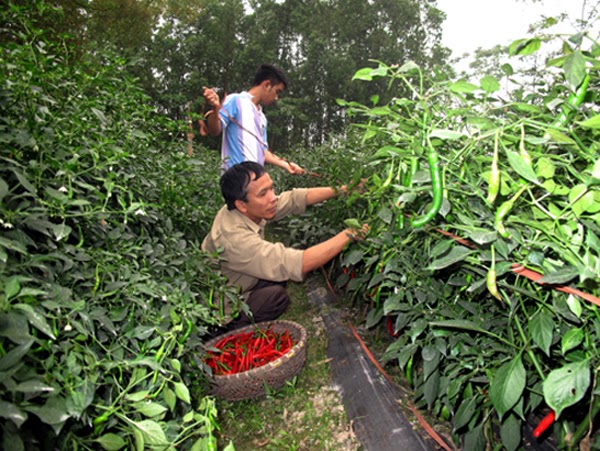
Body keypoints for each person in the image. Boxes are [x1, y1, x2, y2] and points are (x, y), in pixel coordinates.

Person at [201, 161, 367, 330]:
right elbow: (298, 263)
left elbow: (293, 199)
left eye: (271, 188)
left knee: (277, 279)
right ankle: (231, 331)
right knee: (276, 297)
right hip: (221, 309)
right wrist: (350, 234)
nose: (273, 197)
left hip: (238, 282)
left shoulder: (244, 208)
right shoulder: (233, 239)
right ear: (241, 205)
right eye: (263, 193)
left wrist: (344, 189)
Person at [202, 64, 304, 174]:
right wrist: (215, 109)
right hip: (236, 178)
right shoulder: (235, 101)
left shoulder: (262, 118)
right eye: (277, 91)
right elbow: (214, 130)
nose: (276, 98)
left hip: (256, 181)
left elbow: (263, 151)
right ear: (267, 85)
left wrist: (286, 165)